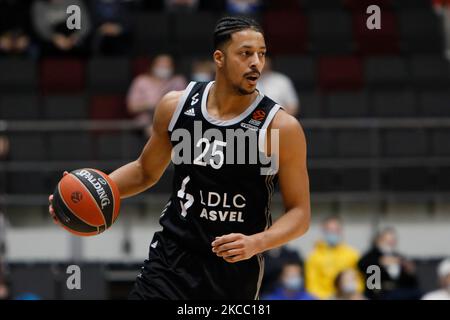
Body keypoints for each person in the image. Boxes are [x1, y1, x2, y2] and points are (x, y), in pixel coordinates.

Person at [49, 16, 311, 299]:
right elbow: (144, 171)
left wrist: (257, 243)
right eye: (246, 53)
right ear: (219, 58)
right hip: (170, 258)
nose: (256, 63)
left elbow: (300, 213)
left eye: (261, 54)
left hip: (233, 270)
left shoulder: (280, 127)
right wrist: (89, 195)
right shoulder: (176, 106)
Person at [126, 54, 187, 137]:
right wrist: (151, 106)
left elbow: (186, 104)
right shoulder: (141, 81)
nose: (164, 68)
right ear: (152, 66)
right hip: (144, 125)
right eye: (160, 65)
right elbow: (132, 107)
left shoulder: (178, 81)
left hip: (173, 123)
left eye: (167, 66)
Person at [305, 215, 363, 300]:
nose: (333, 233)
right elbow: (312, 284)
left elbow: (359, 279)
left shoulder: (352, 254)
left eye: (336, 230)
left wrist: (354, 295)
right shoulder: (313, 256)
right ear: (323, 231)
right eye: (329, 230)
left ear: (341, 231)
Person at [358, 227, 421, 300]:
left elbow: (412, 282)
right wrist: (380, 262)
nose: (390, 243)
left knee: (418, 293)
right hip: (379, 292)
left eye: (392, 240)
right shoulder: (372, 255)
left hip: (399, 291)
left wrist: (410, 272)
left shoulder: (399, 257)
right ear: (379, 240)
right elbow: (361, 265)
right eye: (387, 240)